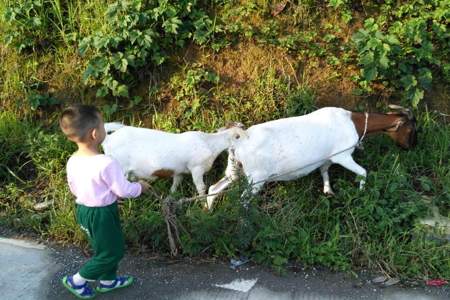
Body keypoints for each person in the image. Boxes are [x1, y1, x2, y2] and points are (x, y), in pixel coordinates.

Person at [59, 104, 149, 299]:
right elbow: (124, 190)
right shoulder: (106, 163)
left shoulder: (73, 160)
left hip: (84, 210)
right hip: (102, 214)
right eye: (102, 125)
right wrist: (140, 187)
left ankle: (108, 281)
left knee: (106, 247)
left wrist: (103, 196)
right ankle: (77, 280)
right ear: (94, 134)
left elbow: (74, 187)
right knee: (112, 253)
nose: (103, 128)